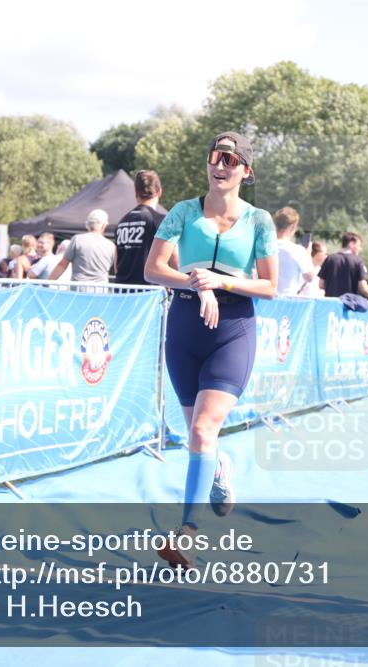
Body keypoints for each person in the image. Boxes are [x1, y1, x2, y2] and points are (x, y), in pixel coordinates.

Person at [144, 131, 278, 568]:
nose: (220, 166)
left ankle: (188, 535)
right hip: (185, 326)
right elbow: (154, 269)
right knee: (197, 438)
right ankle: (219, 470)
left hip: (232, 327)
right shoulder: (183, 212)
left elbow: (270, 286)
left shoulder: (259, 221)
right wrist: (196, 282)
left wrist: (221, 282)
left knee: (203, 431)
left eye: (230, 160)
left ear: (246, 171)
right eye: (214, 157)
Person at [114, 170, 166, 285]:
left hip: (122, 292)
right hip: (149, 294)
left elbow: (116, 263)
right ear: (159, 192)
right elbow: (174, 259)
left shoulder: (122, 222)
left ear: (136, 192)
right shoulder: (160, 220)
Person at [49, 209, 117, 284]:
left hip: (79, 290)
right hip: (101, 290)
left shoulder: (77, 240)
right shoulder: (111, 246)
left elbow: (62, 265)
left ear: (88, 224)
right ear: (104, 225)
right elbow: (116, 269)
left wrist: (47, 284)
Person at [318, 232, 368, 301]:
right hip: (349, 305)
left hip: (331, 304)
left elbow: (321, 284)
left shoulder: (329, 259)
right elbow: (363, 287)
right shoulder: (358, 261)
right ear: (351, 244)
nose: (360, 248)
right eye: (359, 245)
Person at [274, 207, 314, 296]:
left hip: (264, 301)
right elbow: (310, 277)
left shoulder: (263, 246)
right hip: (288, 301)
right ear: (293, 227)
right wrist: (308, 255)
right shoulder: (298, 251)